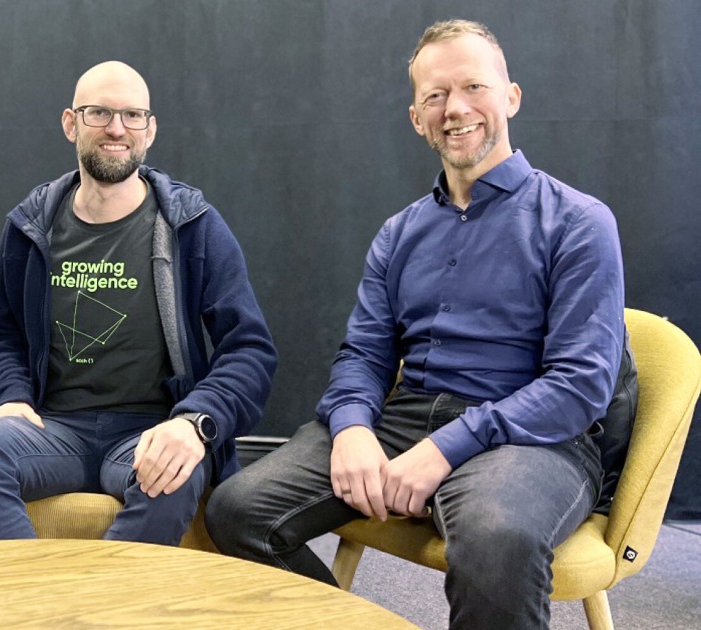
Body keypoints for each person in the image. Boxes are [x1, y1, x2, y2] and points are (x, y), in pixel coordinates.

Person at [206, 19, 628, 629]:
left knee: (496, 540)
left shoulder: (580, 222)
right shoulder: (398, 233)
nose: (455, 109)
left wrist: (444, 449)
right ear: (416, 117)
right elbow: (363, 355)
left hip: (533, 437)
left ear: (511, 97)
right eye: (435, 95)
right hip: (402, 419)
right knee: (238, 509)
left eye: (474, 87)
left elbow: (579, 385)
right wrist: (352, 428)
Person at [0, 61, 276, 545]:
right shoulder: (30, 225)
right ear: (70, 123)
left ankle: (109, 594)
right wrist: (13, 396)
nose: (117, 129)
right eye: (99, 112)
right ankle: (25, 591)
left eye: (132, 115)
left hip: (152, 430)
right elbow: (3, 330)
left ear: (150, 129)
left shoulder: (193, 225)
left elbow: (249, 349)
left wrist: (194, 422)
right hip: (53, 431)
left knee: (176, 469)